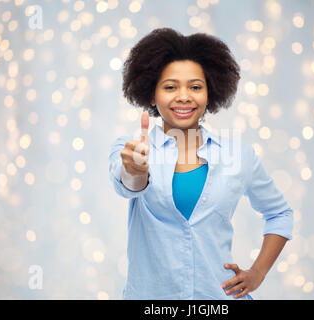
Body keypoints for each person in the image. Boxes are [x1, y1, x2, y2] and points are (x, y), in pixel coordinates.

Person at [109, 28, 293, 300]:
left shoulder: (238, 155)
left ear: (210, 92)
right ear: (151, 94)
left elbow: (280, 214)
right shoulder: (131, 148)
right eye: (170, 87)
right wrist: (136, 170)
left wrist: (257, 274)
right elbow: (130, 185)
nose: (184, 96)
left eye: (195, 87)